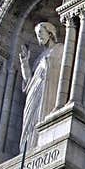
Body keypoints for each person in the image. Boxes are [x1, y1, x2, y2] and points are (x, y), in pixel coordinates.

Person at [18, 21, 59, 154]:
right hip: (34, 90)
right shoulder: (39, 57)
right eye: (36, 34)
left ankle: (40, 143)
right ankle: (28, 149)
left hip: (48, 88)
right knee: (29, 120)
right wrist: (24, 63)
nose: (39, 37)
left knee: (41, 117)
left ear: (50, 33)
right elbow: (29, 81)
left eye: (41, 33)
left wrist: (49, 66)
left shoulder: (60, 49)